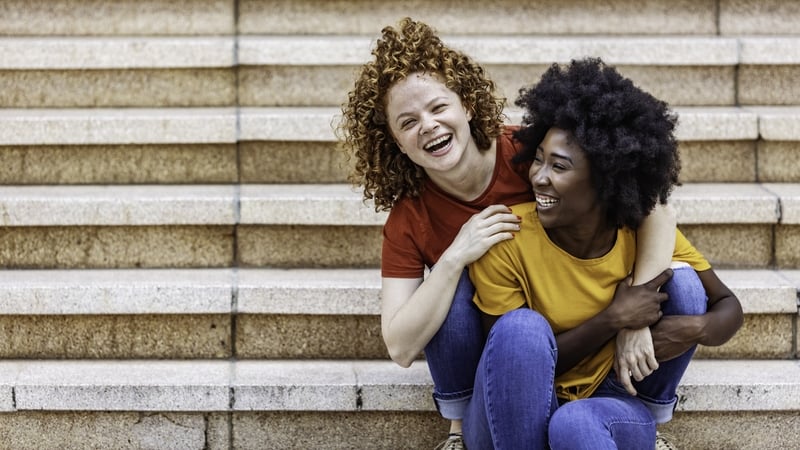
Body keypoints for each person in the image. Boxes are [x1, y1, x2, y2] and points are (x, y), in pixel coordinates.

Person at [336, 18, 678, 449]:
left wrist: (635, 316)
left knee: (681, 284)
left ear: (467, 105)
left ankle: (640, 421)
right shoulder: (410, 218)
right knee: (461, 287)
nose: (428, 125)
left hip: (583, 349)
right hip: (498, 380)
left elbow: (657, 206)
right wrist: (454, 257)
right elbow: (400, 346)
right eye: (408, 122)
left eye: (438, 107)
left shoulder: (532, 156)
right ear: (396, 143)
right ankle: (459, 432)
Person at [466, 57, 744, 449]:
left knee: (576, 422)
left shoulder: (638, 233)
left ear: (604, 179)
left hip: (610, 398)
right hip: (510, 411)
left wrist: (688, 330)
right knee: (521, 331)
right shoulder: (507, 237)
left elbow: (729, 307)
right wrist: (614, 319)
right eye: (539, 159)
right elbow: (512, 368)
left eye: (559, 166)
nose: (538, 177)